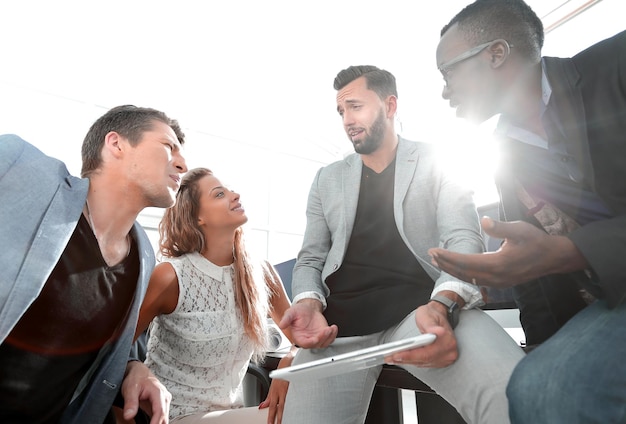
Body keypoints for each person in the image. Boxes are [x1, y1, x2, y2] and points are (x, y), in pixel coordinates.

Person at [277, 65, 525, 424]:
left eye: (356, 106)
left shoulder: (439, 160)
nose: (347, 118)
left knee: (515, 394)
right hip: (337, 330)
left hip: (421, 313)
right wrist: (309, 302)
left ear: (390, 106)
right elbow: (311, 257)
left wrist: (442, 304)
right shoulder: (327, 179)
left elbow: (463, 238)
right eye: (341, 110)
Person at [431, 1, 626, 422]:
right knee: (534, 387)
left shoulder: (617, 65)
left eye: (448, 73)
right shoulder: (508, 155)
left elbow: (557, 254)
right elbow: (534, 276)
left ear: (496, 54)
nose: (445, 91)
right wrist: (541, 348)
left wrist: (574, 250)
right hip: (616, 295)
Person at [0, 105, 188, 424]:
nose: (182, 164)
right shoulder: (18, 165)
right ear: (116, 144)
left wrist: (131, 367)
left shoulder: (142, 259)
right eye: (168, 147)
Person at [135, 167, 296, 424]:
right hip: (171, 416)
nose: (235, 195)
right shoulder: (170, 277)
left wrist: (291, 361)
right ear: (198, 217)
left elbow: (302, 338)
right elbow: (117, 350)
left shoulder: (260, 272)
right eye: (219, 194)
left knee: (310, 407)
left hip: (229, 413)